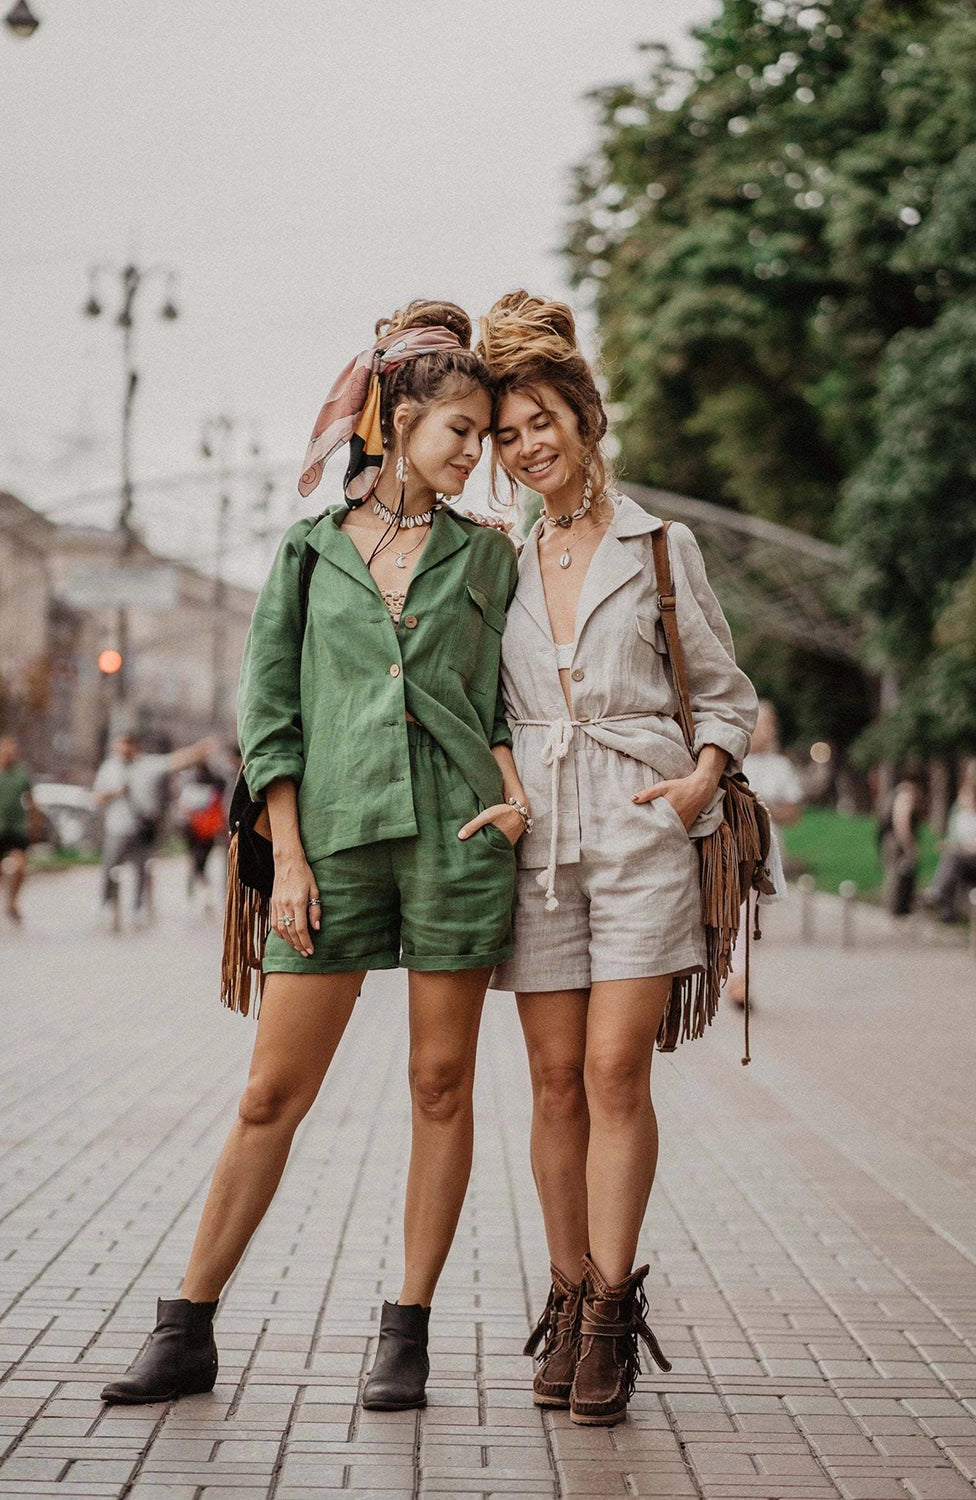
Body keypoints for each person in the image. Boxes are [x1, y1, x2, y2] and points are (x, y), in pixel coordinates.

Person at [100, 299, 526, 1413]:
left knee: (441, 1084)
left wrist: (515, 797)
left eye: (483, 435)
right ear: (393, 422)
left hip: (455, 840)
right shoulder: (306, 551)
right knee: (268, 1096)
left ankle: (407, 1328)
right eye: (459, 431)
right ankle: (187, 1325)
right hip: (329, 848)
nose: (475, 453)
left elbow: (515, 705)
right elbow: (271, 717)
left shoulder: (489, 560)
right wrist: (287, 859)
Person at [477, 292, 758, 1427]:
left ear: (586, 418)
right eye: (507, 434)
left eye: (543, 419)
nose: (527, 444)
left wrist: (701, 777)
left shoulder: (657, 543)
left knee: (611, 1075)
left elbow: (725, 692)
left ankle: (609, 1315)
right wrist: (500, 785)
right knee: (549, 1083)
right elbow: (481, 701)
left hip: (644, 832)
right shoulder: (496, 558)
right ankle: (566, 1286)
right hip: (537, 838)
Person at [723, 701, 802, 1008]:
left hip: (764, 851)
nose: (766, 731)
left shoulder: (780, 766)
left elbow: (794, 813)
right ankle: (737, 978)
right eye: (760, 724)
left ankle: (739, 977)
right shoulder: (731, 761)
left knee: (750, 915)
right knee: (737, 914)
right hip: (731, 848)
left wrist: (764, 806)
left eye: (770, 725)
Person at [93, 731, 217, 925]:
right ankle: (106, 904)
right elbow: (96, 798)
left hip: (142, 827)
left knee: (142, 869)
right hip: (117, 827)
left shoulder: (147, 765)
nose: (122, 750)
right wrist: (115, 793)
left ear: (135, 747)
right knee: (110, 866)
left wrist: (199, 750)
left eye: (127, 745)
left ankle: (137, 908)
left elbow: (175, 761)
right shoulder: (109, 768)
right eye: (119, 745)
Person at [0, 736, 38, 930]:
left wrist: (35, 825)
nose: (11, 755)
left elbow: (31, 802)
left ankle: (12, 901)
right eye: (7, 751)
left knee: (20, 867)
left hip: (16, 829)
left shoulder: (21, 775)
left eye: (13, 751)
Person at [922, 759, 976, 922]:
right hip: (964, 857)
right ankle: (946, 910)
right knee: (951, 858)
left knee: (952, 857)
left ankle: (937, 893)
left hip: (969, 856)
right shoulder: (959, 814)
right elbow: (955, 837)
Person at [178, 758, 228, 912]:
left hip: (197, 828)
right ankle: (201, 891)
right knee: (200, 861)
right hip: (206, 829)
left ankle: (200, 891)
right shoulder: (216, 783)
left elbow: (185, 805)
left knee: (197, 861)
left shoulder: (192, 784)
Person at [878, 769, 926, 917]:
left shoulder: (895, 792)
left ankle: (892, 910)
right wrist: (909, 846)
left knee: (893, 874)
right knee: (897, 877)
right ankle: (896, 911)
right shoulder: (906, 794)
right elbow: (902, 821)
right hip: (897, 842)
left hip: (889, 840)